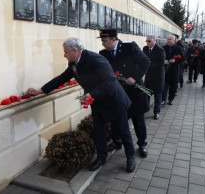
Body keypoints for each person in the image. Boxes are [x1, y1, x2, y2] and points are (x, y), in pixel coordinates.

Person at [27, 37, 136, 172]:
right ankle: (101, 158)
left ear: (75, 51)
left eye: (66, 52)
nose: (64, 55)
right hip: (97, 101)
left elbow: (110, 81)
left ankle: (130, 157)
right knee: (98, 131)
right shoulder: (73, 63)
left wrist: (91, 94)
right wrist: (41, 90)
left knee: (123, 131)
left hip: (113, 100)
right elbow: (62, 78)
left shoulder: (96, 60)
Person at [99, 29, 151, 158]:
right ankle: (117, 142)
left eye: (104, 41)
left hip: (134, 90)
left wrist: (134, 77)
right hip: (118, 92)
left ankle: (142, 143)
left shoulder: (129, 47)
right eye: (102, 41)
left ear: (114, 40)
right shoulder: (103, 53)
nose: (103, 44)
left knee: (138, 119)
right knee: (117, 118)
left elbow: (146, 62)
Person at [143, 35, 165, 120]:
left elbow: (160, 63)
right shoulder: (145, 49)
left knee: (157, 96)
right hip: (148, 77)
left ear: (154, 41)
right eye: (147, 41)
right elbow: (143, 59)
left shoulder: (160, 50)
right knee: (146, 93)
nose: (147, 43)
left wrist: (147, 67)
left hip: (157, 77)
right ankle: (145, 108)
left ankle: (156, 112)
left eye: (149, 41)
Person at [162, 35, 184, 105]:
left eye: (170, 39)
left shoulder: (179, 48)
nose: (168, 40)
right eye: (168, 39)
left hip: (174, 71)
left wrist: (175, 61)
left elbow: (182, 58)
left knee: (173, 87)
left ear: (174, 40)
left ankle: (171, 99)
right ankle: (163, 100)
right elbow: (159, 57)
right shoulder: (163, 48)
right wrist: (163, 61)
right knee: (164, 87)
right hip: (165, 71)